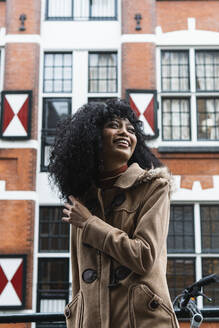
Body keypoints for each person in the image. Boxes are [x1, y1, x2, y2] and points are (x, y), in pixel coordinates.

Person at [49, 99, 179, 328]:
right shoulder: (82, 199)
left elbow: (144, 256)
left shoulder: (154, 187)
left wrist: (90, 224)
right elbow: (80, 278)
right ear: (93, 137)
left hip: (142, 322)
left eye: (130, 129)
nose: (124, 133)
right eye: (114, 125)